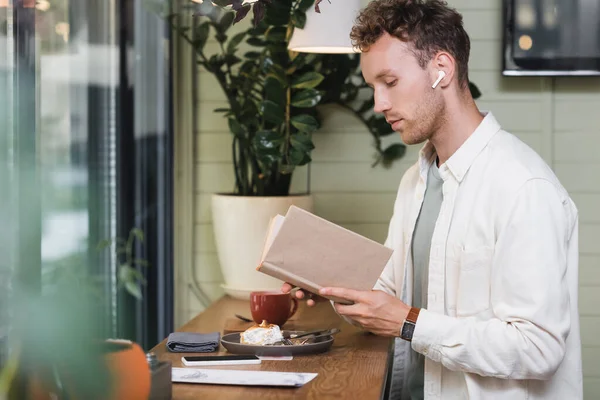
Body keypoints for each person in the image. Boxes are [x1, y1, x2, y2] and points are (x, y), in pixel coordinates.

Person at [282, 0, 583, 398]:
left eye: (390, 82)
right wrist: (329, 282)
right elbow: (390, 299)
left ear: (442, 68)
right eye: (374, 87)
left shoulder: (524, 187)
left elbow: (538, 348)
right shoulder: (416, 180)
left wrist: (409, 322)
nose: (379, 104)